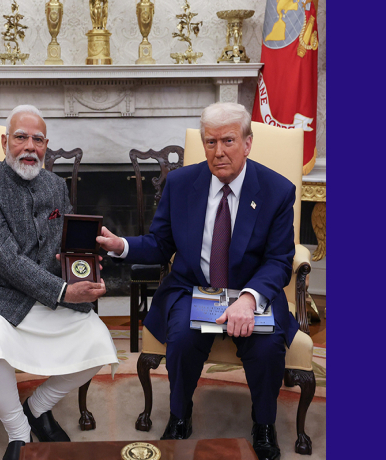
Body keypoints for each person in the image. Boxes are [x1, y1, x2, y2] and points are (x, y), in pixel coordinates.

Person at [97, 102, 297, 460]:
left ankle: (264, 424)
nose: (218, 152)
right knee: (183, 339)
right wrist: (121, 245)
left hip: (251, 291)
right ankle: (179, 414)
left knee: (267, 348)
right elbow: (161, 244)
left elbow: (279, 261)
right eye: (210, 142)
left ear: (248, 143)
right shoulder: (181, 183)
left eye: (228, 141)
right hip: (195, 288)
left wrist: (248, 300)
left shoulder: (276, 191)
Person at [0, 105, 117, 460]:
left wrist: (83, 264)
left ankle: (37, 406)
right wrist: (62, 290)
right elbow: (3, 257)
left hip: (44, 293)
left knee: (99, 343)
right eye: (21, 137)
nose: (29, 146)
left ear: (46, 145)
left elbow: (65, 244)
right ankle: (19, 432)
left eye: (37, 139)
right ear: (4, 141)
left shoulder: (56, 186)